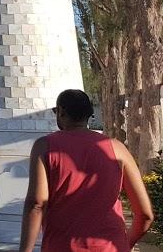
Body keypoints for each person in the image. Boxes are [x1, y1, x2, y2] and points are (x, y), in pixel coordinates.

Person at [19, 89, 154, 252]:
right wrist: (125, 244)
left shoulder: (44, 146)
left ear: (61, 111)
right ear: (89, 114)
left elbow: (37, 204)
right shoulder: (117, 149)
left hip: (62, 246)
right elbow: (145, 214)